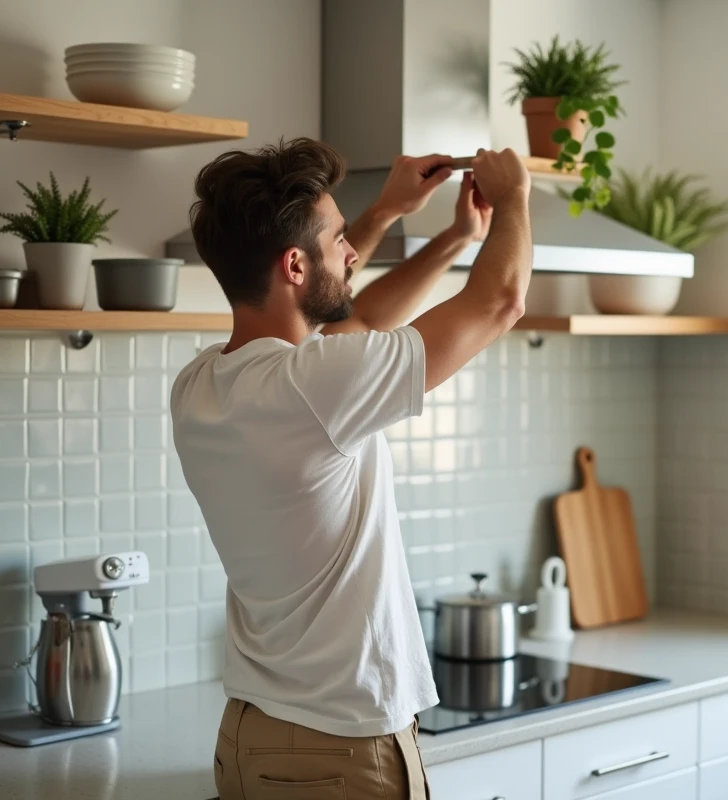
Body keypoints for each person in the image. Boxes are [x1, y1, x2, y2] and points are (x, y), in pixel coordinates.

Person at [169, 138, 532, 800]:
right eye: (339, 238)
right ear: (295, 265)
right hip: (339, 749)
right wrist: (514, 198)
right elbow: (499, 302)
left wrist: (437, 231)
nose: (353, 251)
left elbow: (348, 313)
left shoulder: (199, 385)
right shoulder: (312, 388)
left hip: (249, 736)